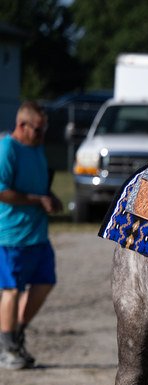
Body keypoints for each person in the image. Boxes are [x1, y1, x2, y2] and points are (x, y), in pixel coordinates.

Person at [0, 101, 62, 370]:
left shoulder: (36, 149)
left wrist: (50, 198)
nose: (41, 134)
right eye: (37, 129)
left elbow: (38, 187)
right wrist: (38, 200)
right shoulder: (7, 149)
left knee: (45, 283)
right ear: (22, 125)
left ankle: (17, 332)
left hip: (37, 235)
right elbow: (1, 191)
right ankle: (7, 347)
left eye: (44, 129)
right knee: (12, 290)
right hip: (11, 236)